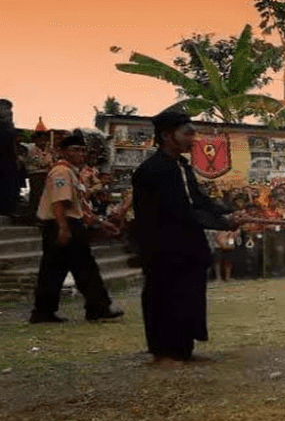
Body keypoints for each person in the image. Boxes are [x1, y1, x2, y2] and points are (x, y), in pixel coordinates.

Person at [132, 110, 240, 364]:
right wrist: (223, 222)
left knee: (187, 295)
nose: (194, 138)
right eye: (188, 133)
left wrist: (229, 210)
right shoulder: (155, 170)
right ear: (168, 136)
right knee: (165, 297)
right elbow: (180, 211)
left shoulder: (181, 166)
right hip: (164, 248)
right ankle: (164, 352)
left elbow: (198, 199)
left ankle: (182, 348)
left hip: (186, 246)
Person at [30, 132, 124, 323]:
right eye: (74, 150)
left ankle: (45, 311)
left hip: (70, 223)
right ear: (62, 151)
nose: (79, 154)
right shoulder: (61, 172)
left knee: (60, 269)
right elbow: (59, 203)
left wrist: (100, 223)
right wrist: (63, 228)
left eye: (82, 150)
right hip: (61, 223)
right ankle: (97, 307)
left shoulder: (74, 173)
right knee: (80, 267)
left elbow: (79, 207)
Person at [26, 131, 54, 222]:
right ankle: (32, 216)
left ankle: (42, 217)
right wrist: (48, 162)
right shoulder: (31, 150)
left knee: (44, 197)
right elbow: (42, 162)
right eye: (40, 139)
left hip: (46, 175)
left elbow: (51, 162)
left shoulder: (48, 150)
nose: (43, 141)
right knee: (35, 196)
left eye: (44, 139)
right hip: (35, 174)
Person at [0, 99, 20, 222]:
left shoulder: (9, 125)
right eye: (6, 109)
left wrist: (17, 157)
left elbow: (13, 144)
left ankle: (8, 209)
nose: (9, 112)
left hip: (9, 161)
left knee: (10, 185)